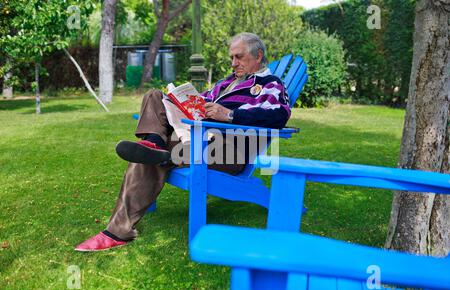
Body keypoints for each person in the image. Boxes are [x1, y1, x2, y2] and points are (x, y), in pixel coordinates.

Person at [75, 32, 291, 252]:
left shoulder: (269, 84)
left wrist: (230, 115)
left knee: (150, 155)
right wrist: (182, 102)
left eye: (239, 57)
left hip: (229, 151)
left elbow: (279, 116)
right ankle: (153, 142)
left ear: (258, 55)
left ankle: (117, 231)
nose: (233, 63)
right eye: (231, 58)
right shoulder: (227, 82)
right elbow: (204, 101)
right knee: (154, 96)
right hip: (199, 137)